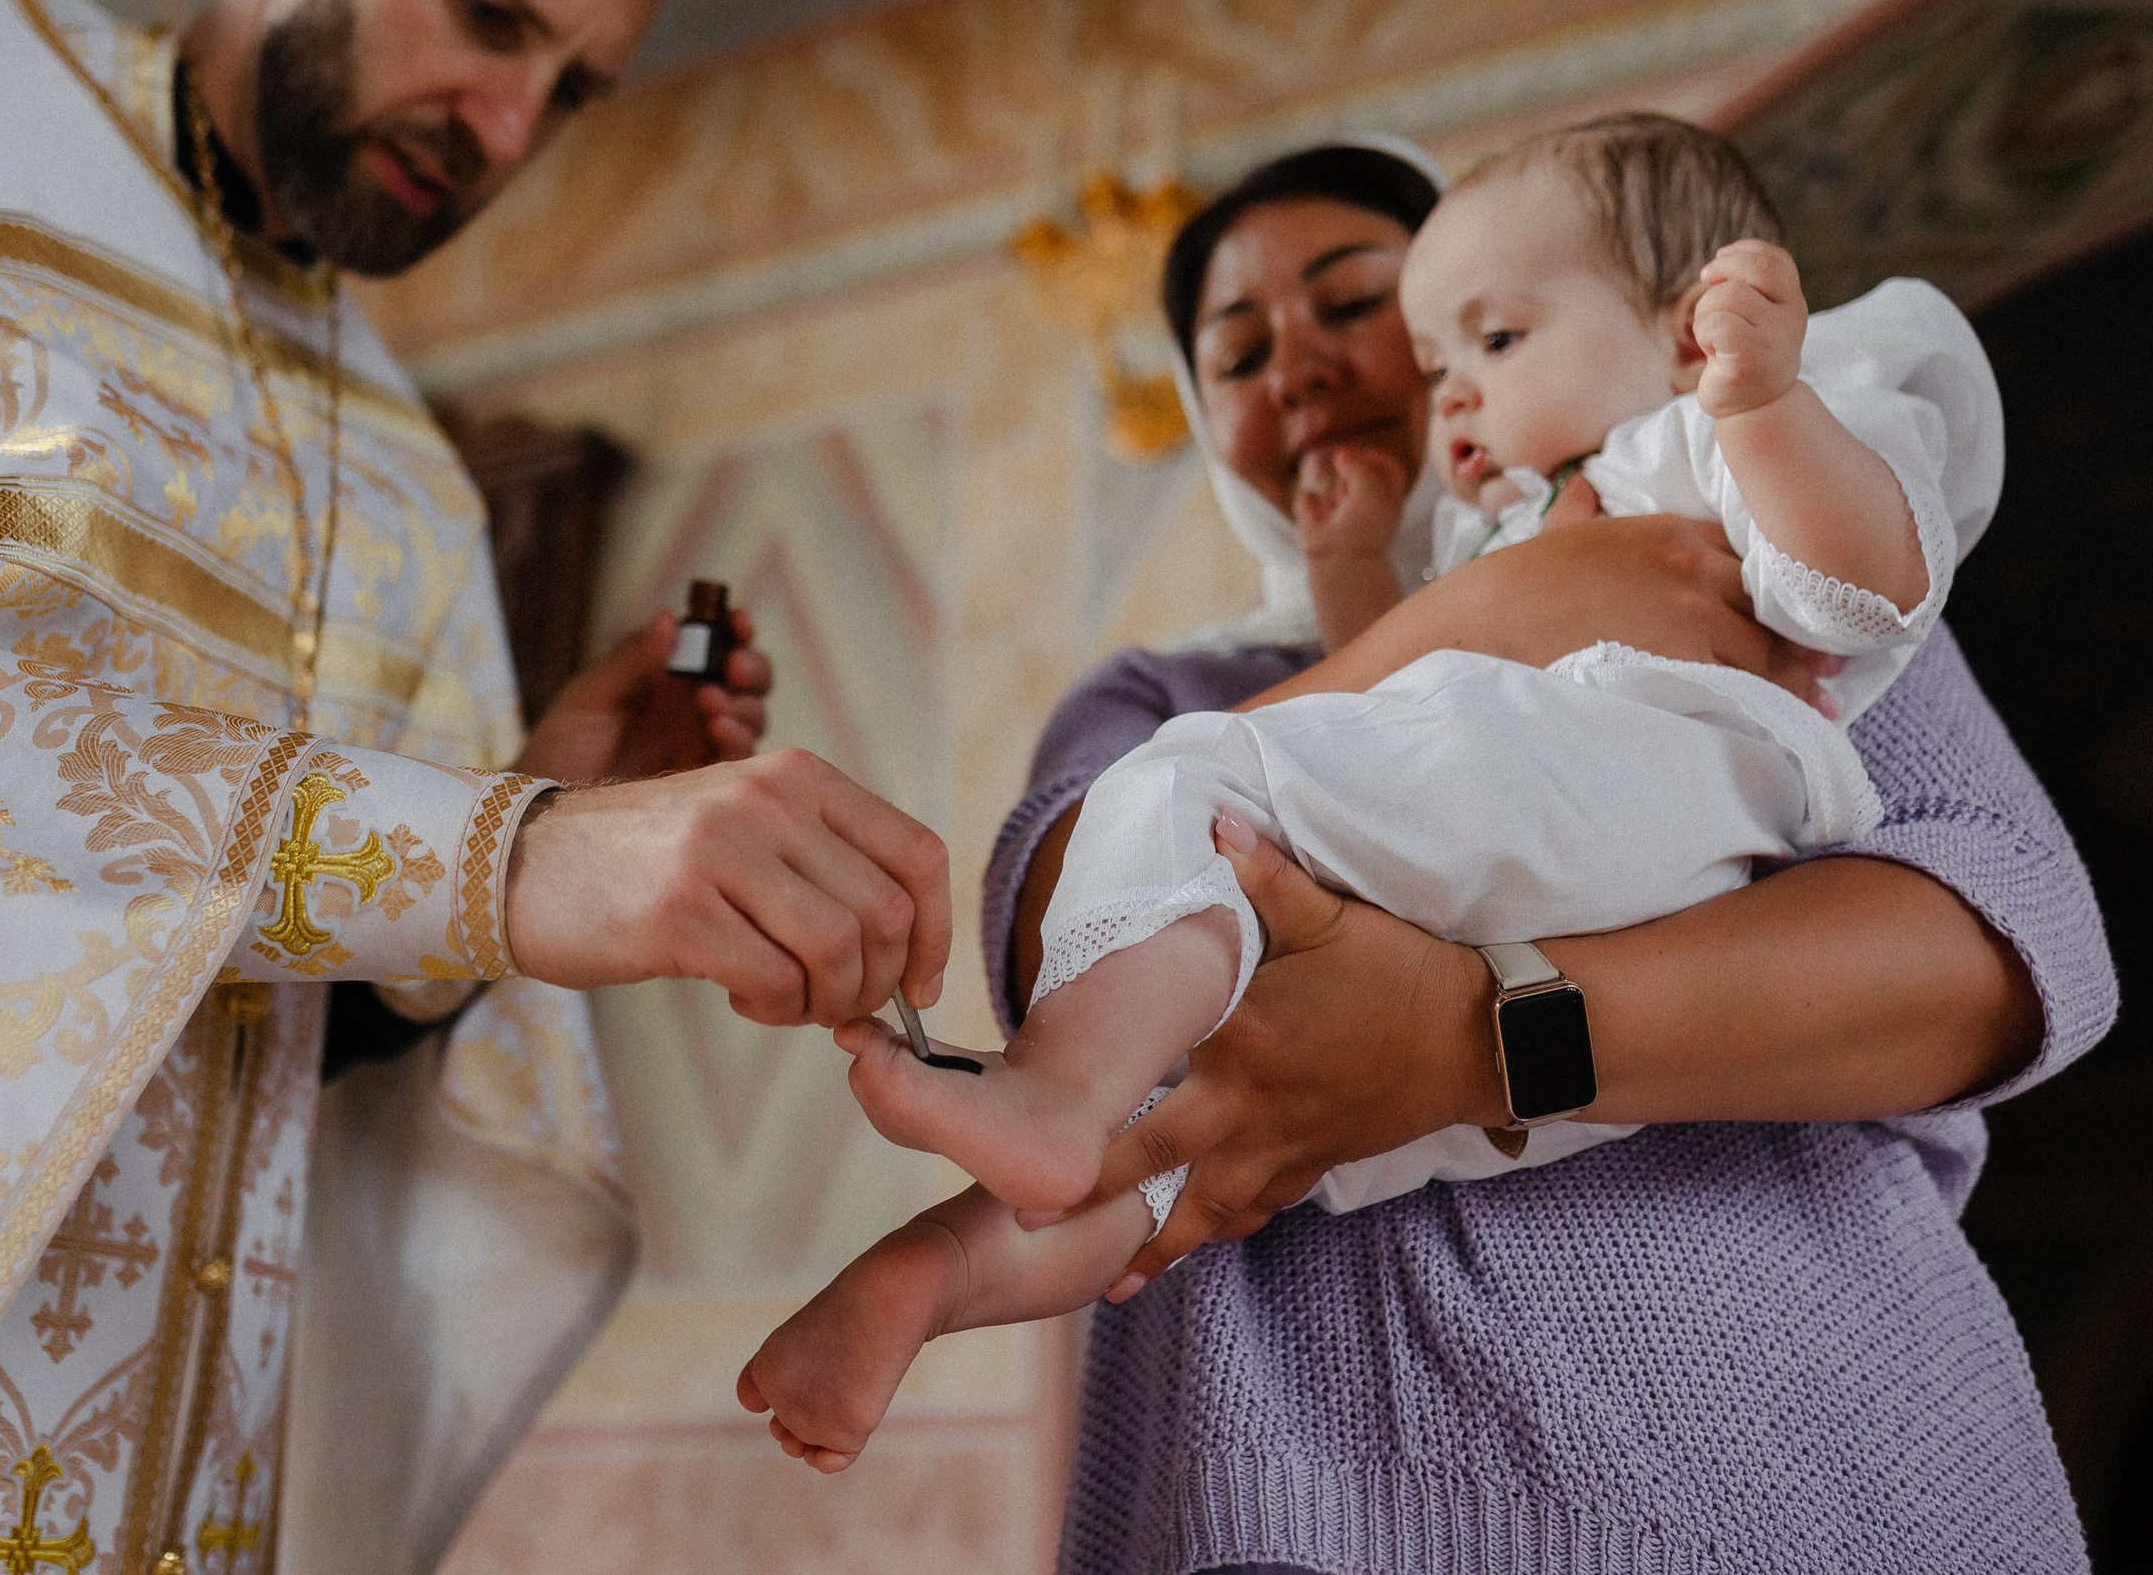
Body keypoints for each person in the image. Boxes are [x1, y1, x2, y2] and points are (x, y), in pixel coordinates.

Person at [0, 0, 949, 1572]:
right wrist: (507, 855)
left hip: (179, 1486)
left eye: (571, 90)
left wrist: (531, 794)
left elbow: (312, 1050)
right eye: (489, 20)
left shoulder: (408, 486)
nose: (509, 125)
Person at [770, 137, 2103, 1569]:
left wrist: (1468, 1039)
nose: (1298, 365)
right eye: (1234, 353)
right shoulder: (1158, 698)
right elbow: (1055, 948)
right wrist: (1473, 615)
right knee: (1126, 1137)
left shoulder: (1732, 540)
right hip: (1307, 1504)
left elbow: (2009, 948)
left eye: (1359, 309)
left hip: (1807, 1449)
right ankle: (928, 1276)